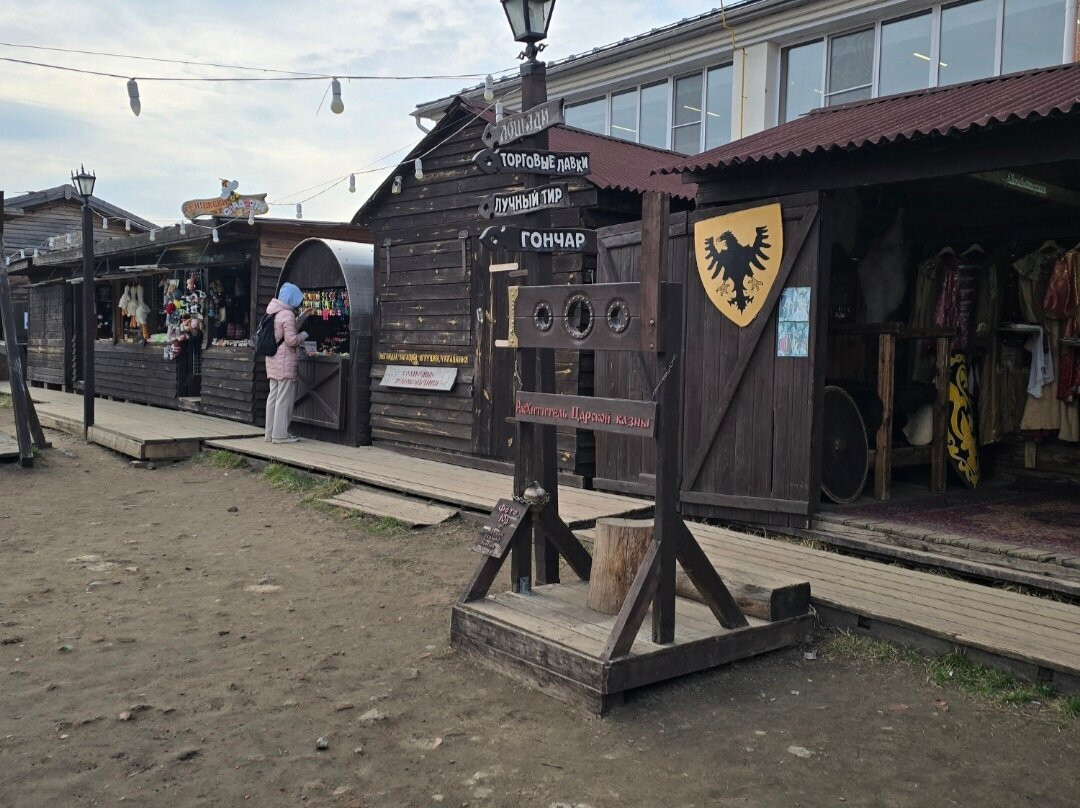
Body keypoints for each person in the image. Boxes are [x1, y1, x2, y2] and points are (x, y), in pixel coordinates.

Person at [263, 282, 310, 444]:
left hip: (272, 359)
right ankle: (280, 435)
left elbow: (282, 332)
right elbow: (291, 340)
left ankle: (270, 434)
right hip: (284, 362)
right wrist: (303, 334)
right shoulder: (287, 315)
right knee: (284, 399)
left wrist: (300, 319)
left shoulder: (273, 311)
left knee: (273, 397)